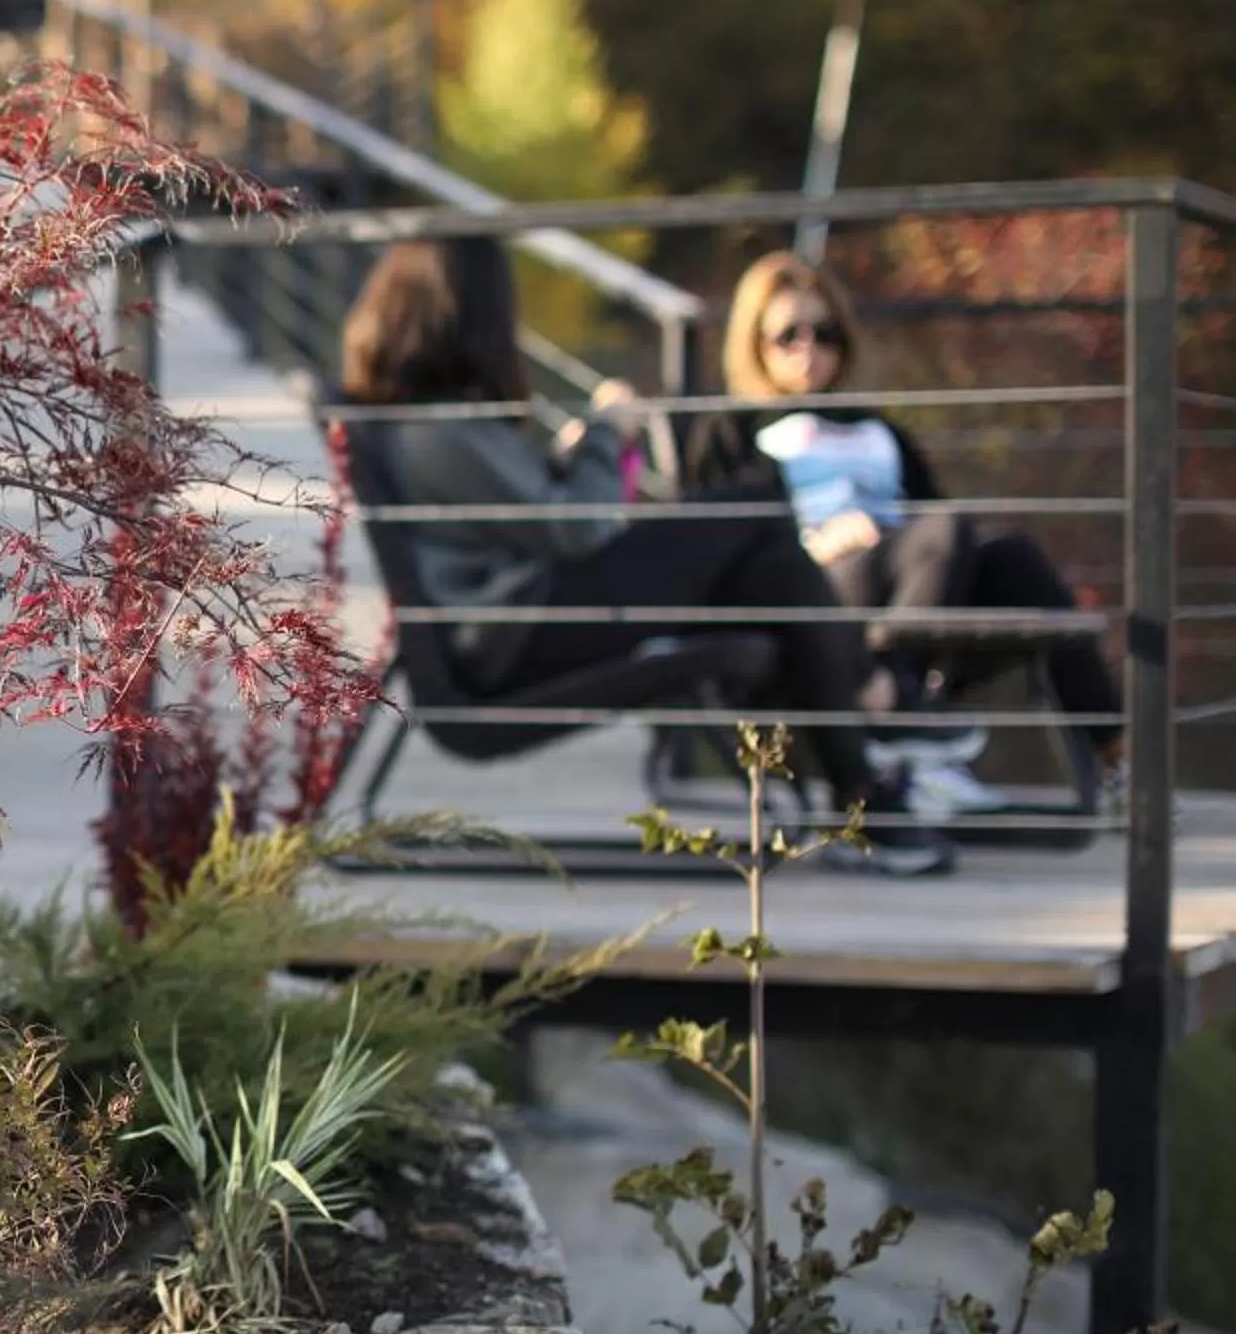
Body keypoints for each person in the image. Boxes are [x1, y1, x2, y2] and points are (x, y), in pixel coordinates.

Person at [340, 238, 953, 874]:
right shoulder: (441, 432)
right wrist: (608, 429)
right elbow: (580, 528)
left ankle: (863, 779)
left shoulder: (431, 424)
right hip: (516, 638)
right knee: (751, 513)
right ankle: (876, 712)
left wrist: (576, 455)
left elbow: (539, 514)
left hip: (521, 623)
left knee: (770, 566)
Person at [677, 252, 1124, 813]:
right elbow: (713, 543)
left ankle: (1117, 758)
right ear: (754, 343)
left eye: (825, 333)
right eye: (787, 335)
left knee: (1013, 556)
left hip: (908, 579)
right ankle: (895, 710)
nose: (808, 349)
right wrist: (814, 544)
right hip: (815, 589)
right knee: (938, 532)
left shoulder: (879, 428)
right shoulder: (734, 429)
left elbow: (936, 519)